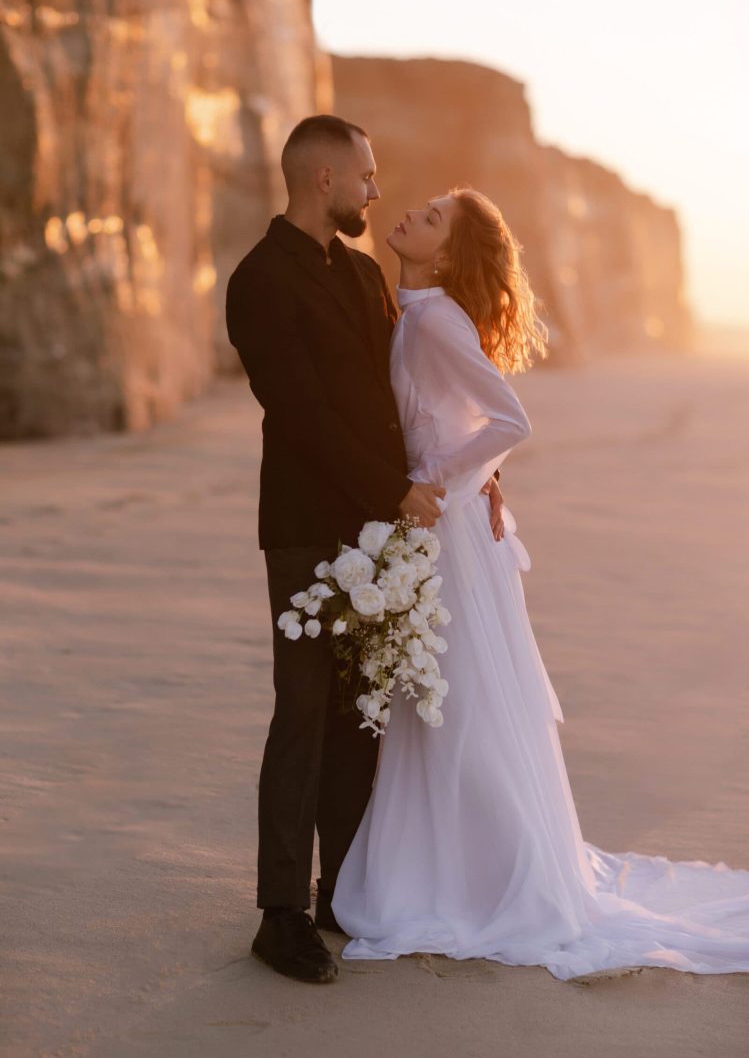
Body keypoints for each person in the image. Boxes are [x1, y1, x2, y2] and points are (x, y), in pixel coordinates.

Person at [331, 186, 749, 979]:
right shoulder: (413, 310)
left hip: (439, 533)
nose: (410, 211)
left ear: (444, 256)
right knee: (445, 698)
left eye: (433, 217)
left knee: (460, 700)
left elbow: (511, 420)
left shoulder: (438, 319)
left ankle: (481, 880)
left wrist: (434, 481)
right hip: (436, 530)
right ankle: (456, 869)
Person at [225, 115, 467, 984]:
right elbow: (301, 416)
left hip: (379, 528)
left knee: (358, 716)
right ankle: (281, 913)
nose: (376, 189)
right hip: (305, 528)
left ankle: (345, 893)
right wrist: (390, 492)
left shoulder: (367, 274)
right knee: (301, 714)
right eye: (366, 175)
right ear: (323, 179)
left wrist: (465, 474)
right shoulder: (258, 281)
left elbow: (403, 398)